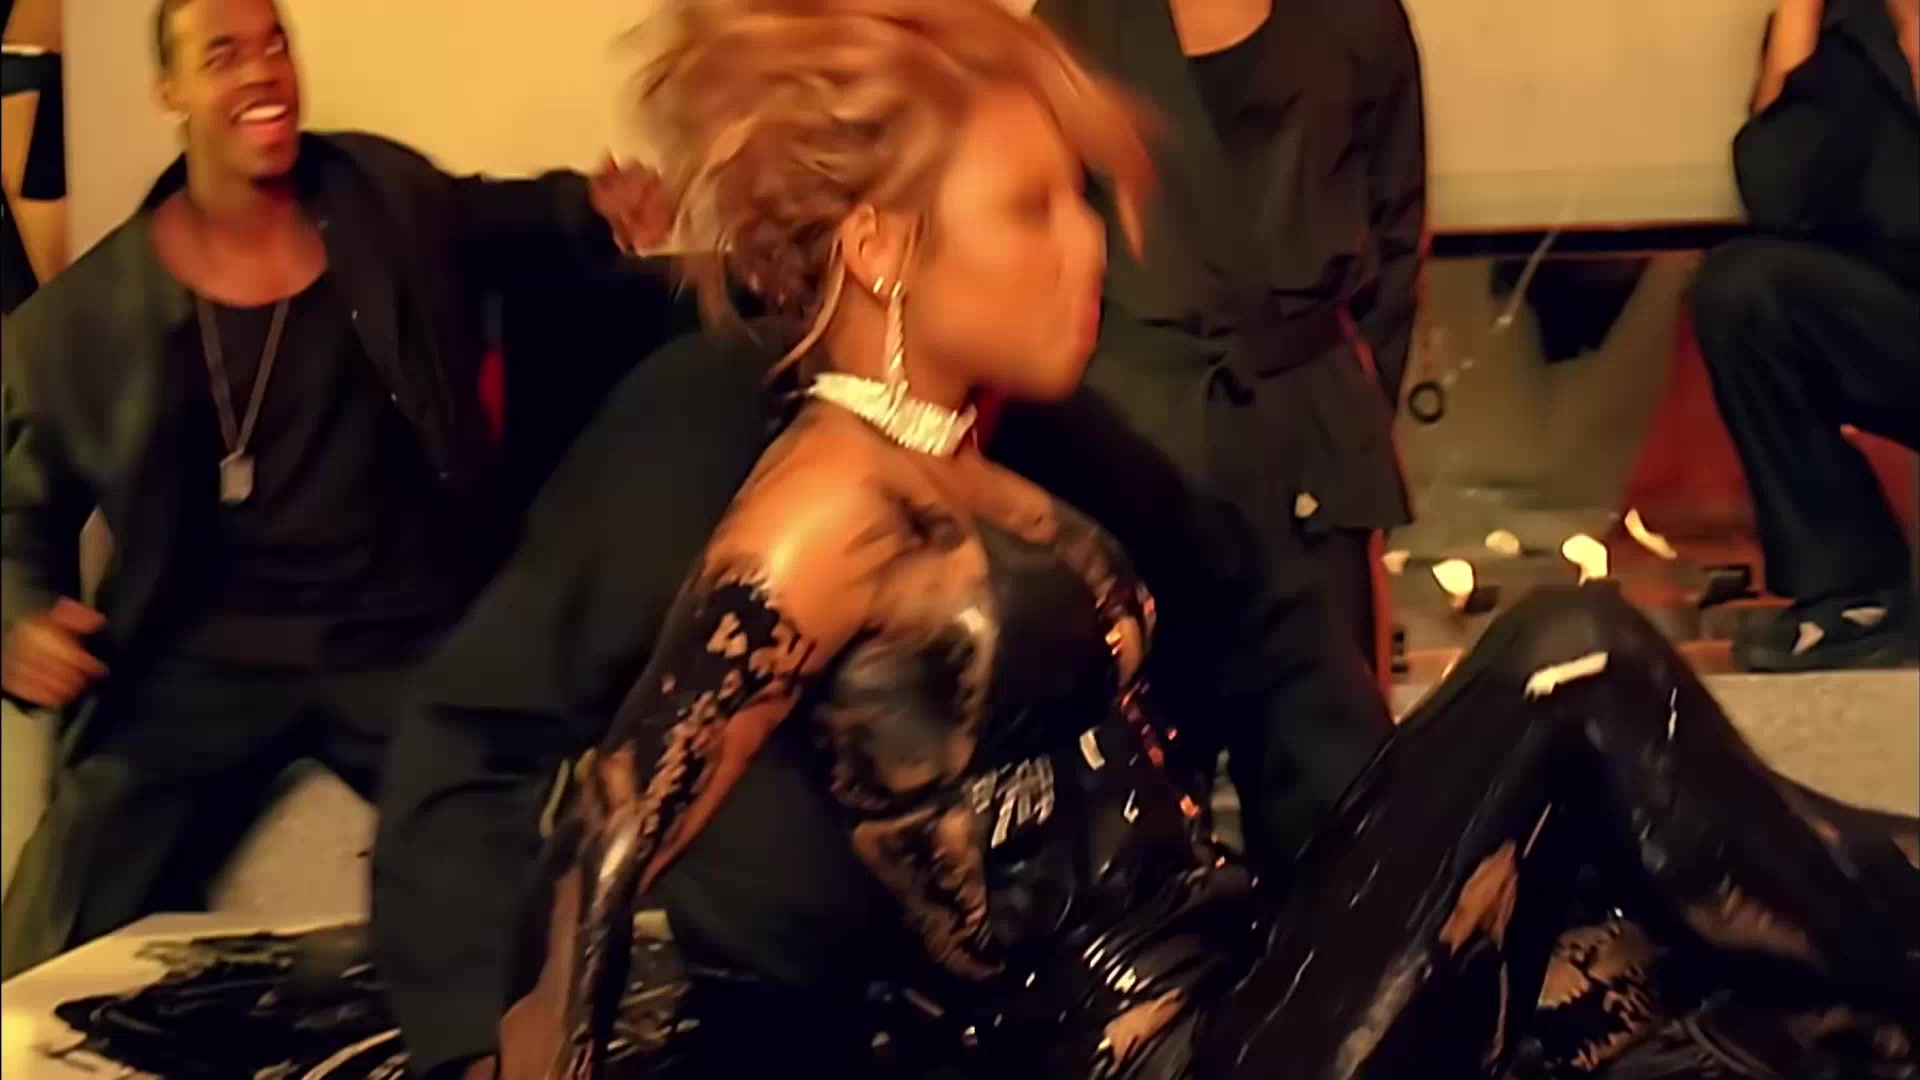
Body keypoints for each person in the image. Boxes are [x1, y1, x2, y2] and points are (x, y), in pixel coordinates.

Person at [499, 3, 1919, 1078]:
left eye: (1081, 201)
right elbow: (604, 836)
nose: (1088, 244)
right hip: (1165, 1048)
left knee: (1710, 955)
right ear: (879, 248)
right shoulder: (827, 508)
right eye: (1031, 207)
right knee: (1567, 658)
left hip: (1251, 962)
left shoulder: (971, 467)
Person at [0, 0, 669, 979]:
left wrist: (594, 207)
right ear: (170, 91)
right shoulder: (86, 321)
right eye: (222, 55)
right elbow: (19, 511)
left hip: (394, 626)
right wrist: (20, 616)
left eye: (274, 44)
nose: (261, 72)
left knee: (511, 868)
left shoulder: (377, 197)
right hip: (202, 651)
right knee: (68, 888)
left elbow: (496, 216)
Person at [1031, 0, 1426, 689]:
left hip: (1307, 439)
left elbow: (1396, 232)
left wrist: (1352, 418)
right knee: (1142, 720)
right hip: (1134, 438)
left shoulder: (1358, 18)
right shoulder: (1077, 18)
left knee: (1331, 729)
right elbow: (1040, 231)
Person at [1693, 0, 1920, 672]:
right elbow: (1779, 197)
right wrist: (1801, 13)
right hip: (1902, 325)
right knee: (1742, 289)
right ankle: (1854, 593)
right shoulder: (1846, 29)